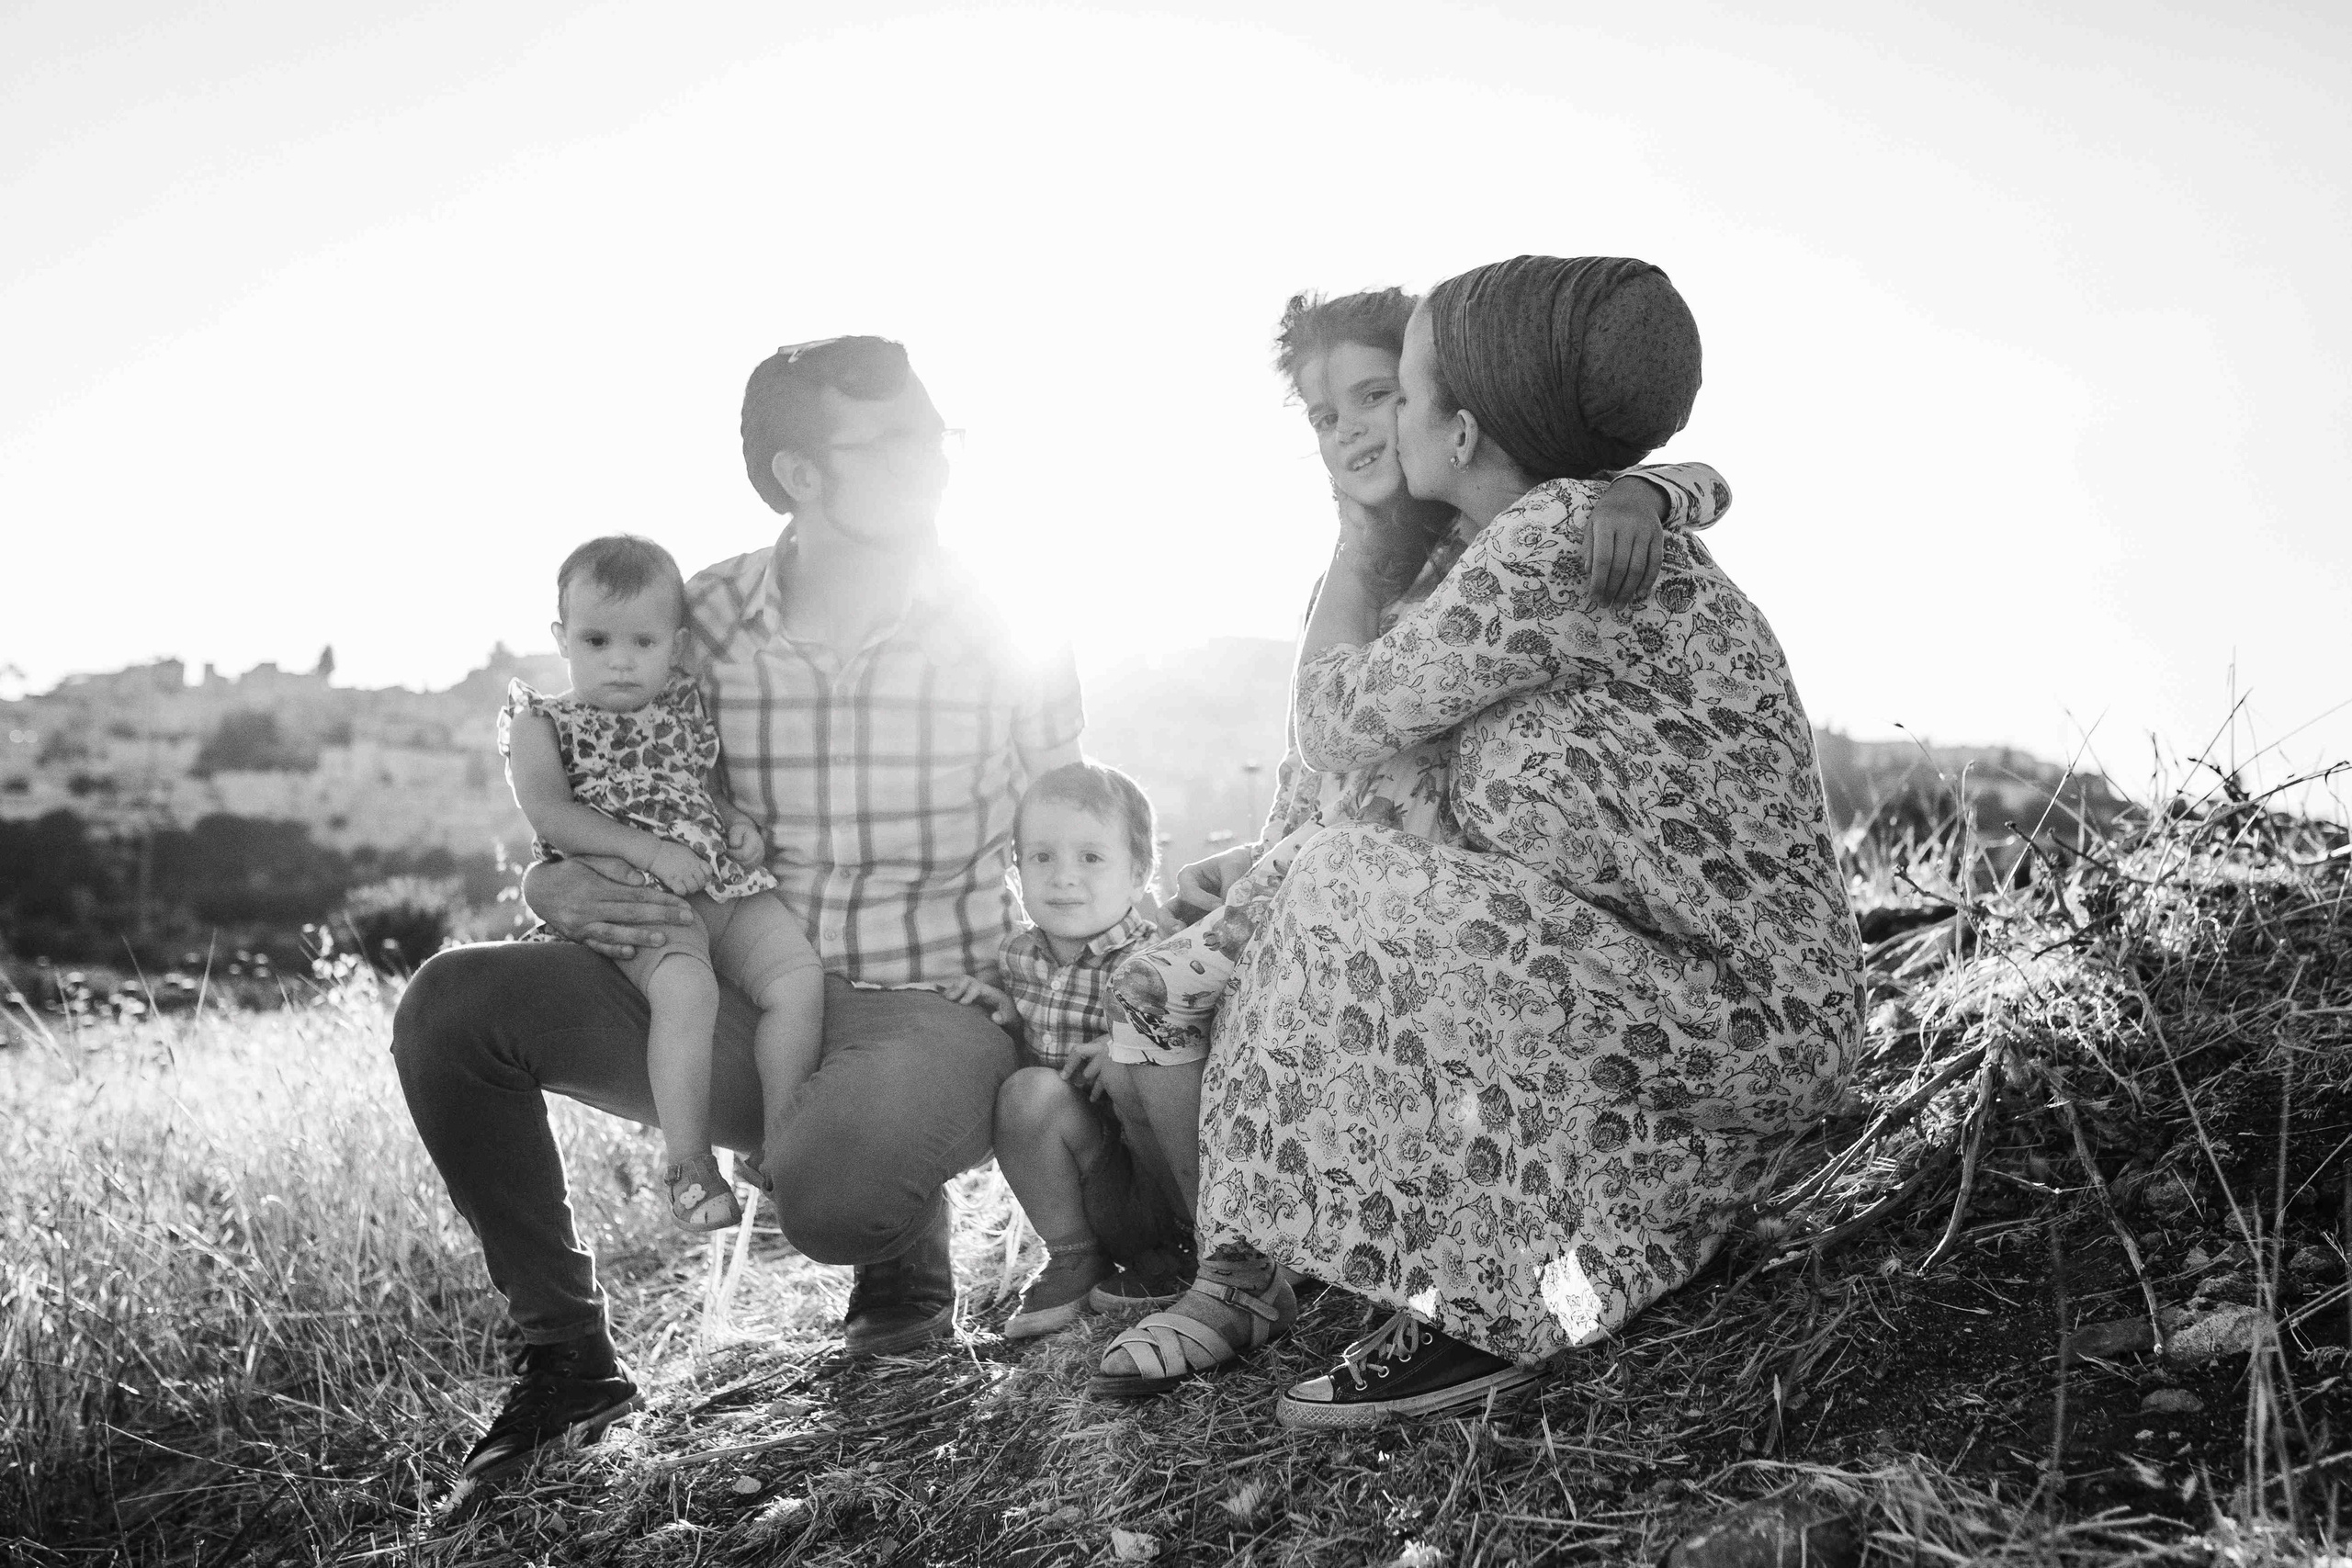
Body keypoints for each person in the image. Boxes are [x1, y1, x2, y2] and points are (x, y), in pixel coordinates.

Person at [1094, 260, 1861, 1430]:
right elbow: (1337, 769)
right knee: (1268, 916)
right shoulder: (1524, 533)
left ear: (1459, 426)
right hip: (1684, 987)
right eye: (1330, 412)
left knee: (1333, 888)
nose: (1367, 426)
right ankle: (1276, 1266)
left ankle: (1486, 1304)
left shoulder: (1547, 534)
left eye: (1391, 393)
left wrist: (1366, 543)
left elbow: (1336, 720)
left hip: (1741, 1017)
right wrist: (1262, 863)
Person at [393, 335, 1082, 1484]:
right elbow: (589, 760)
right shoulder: (696, 617)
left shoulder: (1008, 619)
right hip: (727, 986)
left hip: (931, 1003)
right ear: (801, 474)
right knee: (451, 1008)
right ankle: (566, 1362)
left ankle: (895, 1236)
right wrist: (555, 879)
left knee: (833, 1201)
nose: (935, 462)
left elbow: (1069, 821)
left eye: (937, 434)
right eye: (898, 441)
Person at [499, 535, 825, 1232]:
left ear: (674, 646)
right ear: (561, 639)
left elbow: (695, 786)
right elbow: (551, 814)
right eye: (596, 640)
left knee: (798, 980)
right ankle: (689, 1164)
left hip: (722, 882)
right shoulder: (541, 723)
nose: (620, 659)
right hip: (634, 893)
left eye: (642, 642)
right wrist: (648, 850)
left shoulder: (681, 706)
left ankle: (777, 1144)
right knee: (686, 989)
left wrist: (734, 822)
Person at [940, 761, 1192, 1337]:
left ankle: (1192, 1250)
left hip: (1170, 1179)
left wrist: (1124, 1042)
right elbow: (1041, 1045)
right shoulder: (1019, 957)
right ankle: (1076, 1256)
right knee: (1026, 1092)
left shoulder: (1160, 956)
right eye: (1042, 857)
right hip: (1096, 1178)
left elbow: (1195, 1045)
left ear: (1139, 874)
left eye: (1091, 858)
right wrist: (1006, 1013)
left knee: (1130, 1070)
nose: (1063, 878)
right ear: (1017, 871)